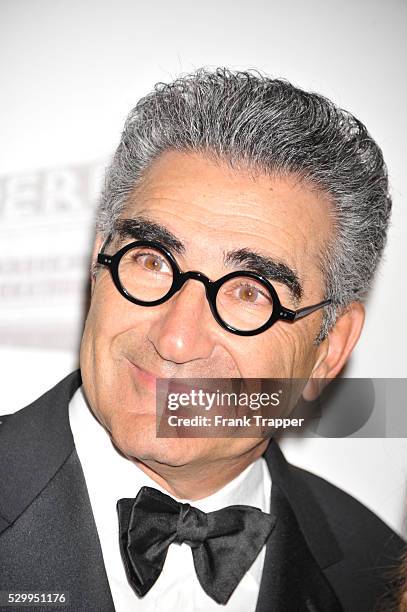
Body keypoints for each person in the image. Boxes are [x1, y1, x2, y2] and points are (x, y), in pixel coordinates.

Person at [0, 68, 404, 612]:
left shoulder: (375, 573)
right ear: (97, 264)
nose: (177, 338)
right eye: (151, 260)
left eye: (249, 293)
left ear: (329, 349)